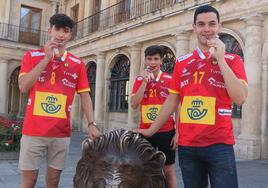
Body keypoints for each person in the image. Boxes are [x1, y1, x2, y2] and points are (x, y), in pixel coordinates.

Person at [135, 5, 248, 188]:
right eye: (201, 24)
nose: (206, 29)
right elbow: (172, 101)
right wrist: (151, 130)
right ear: (194, 27)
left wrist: (220, 60)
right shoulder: (182, 62)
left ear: (219, 26)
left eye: (212, 24)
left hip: (219, 145)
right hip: (188, 147)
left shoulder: (233, 60)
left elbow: (240, 98)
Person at [18, 14, 102, 188]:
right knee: (28, 181)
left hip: (60, 134)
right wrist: (46, 59)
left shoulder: (77, 63)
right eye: (57, 29)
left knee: (53, 181)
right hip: (33, 132)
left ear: (70, 35)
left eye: (66, 31)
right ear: (50, 30)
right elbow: (23, 87)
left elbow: (85, 95)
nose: (61, 35)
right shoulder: (31, 56)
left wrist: (91, 123)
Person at [131, 45, 178, 188]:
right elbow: (134, 104)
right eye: (149, 59)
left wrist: (178, 133)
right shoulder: (140, 80)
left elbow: (178, 107)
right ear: (145, 60)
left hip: (166, 131)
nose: (152, 62)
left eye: (156, 59)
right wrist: (145, 82)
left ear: (161, 60)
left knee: (168, 169)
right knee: (144, 169)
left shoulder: (170, 79)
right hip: (145, 131)